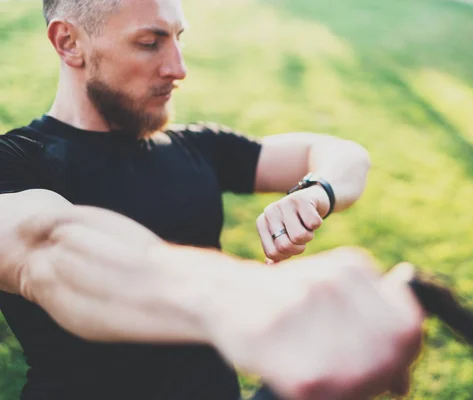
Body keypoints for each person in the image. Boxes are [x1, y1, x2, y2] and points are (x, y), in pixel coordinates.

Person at [0, 0, 425, 399]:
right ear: (68, 43)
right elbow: (47, 248)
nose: (178, 68)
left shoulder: (194, 147)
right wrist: (245, 297)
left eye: (177, 38)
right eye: (150, 43)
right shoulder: (14, 164)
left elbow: (345, 155)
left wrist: (317, 192)